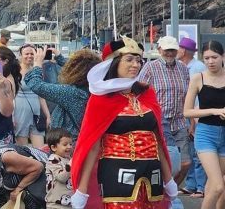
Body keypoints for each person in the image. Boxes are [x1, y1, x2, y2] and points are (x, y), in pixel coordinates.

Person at [70, 38, 177, 209]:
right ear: (114, 63)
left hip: (151, 172)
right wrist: (82, 189)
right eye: (129, 59)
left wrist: (168, 178)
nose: (136, 64)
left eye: (138, 60)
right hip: (117, 172)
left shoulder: (147, 93)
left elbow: (158, 139)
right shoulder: (101, 99)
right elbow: (92, 144)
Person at [143, 36, 193, 192]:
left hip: (179, 122)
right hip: (158, 122)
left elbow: (188, 96)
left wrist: (192, 121)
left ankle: (169, 192)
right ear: (159, 50)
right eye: (167, 50)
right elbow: (139, 92)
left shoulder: (183, 68)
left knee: (185, 163)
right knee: (163, 163)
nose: (170, 53)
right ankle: (162, 195)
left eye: (172, 50)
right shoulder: (150, 68)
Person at [183, 40, 225, 209]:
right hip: (206, 134)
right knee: (217, 186)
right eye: (206, 58)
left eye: (214, 57)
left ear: (222, 57)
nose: (210, 61)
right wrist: (214, 110)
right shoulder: (198, 78)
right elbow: (187, 111)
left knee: (220, 186)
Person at [22, 48, 97, 136]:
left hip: (68, 143)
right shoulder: (92, 88)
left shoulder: (72, 93)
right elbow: (78, 69)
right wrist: (59, 57)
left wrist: (37, 63)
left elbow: (36, 85)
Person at [0, 142, 49, 209]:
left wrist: (18, 189)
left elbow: (38, 168)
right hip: (14, 187)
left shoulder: (6, 156)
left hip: (44, 174)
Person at [13, 45, 48, 148]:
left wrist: (47, 115)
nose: (29, 56)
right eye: (26, 54)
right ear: (21, 55)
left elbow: (41, 95)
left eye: (32, 53)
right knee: (23, 148)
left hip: (36, 113)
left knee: (40, 149)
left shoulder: (37, 71)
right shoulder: (15, 71)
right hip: (20, 112)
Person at [45, 128, 74, 209]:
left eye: (71, 144)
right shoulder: (53, 160)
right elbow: (61, 177)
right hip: (55, 205)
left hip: (68, 204)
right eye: (65, 144)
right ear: (54, 147)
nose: (69, 147)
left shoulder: (68, 159)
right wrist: (71, 164)